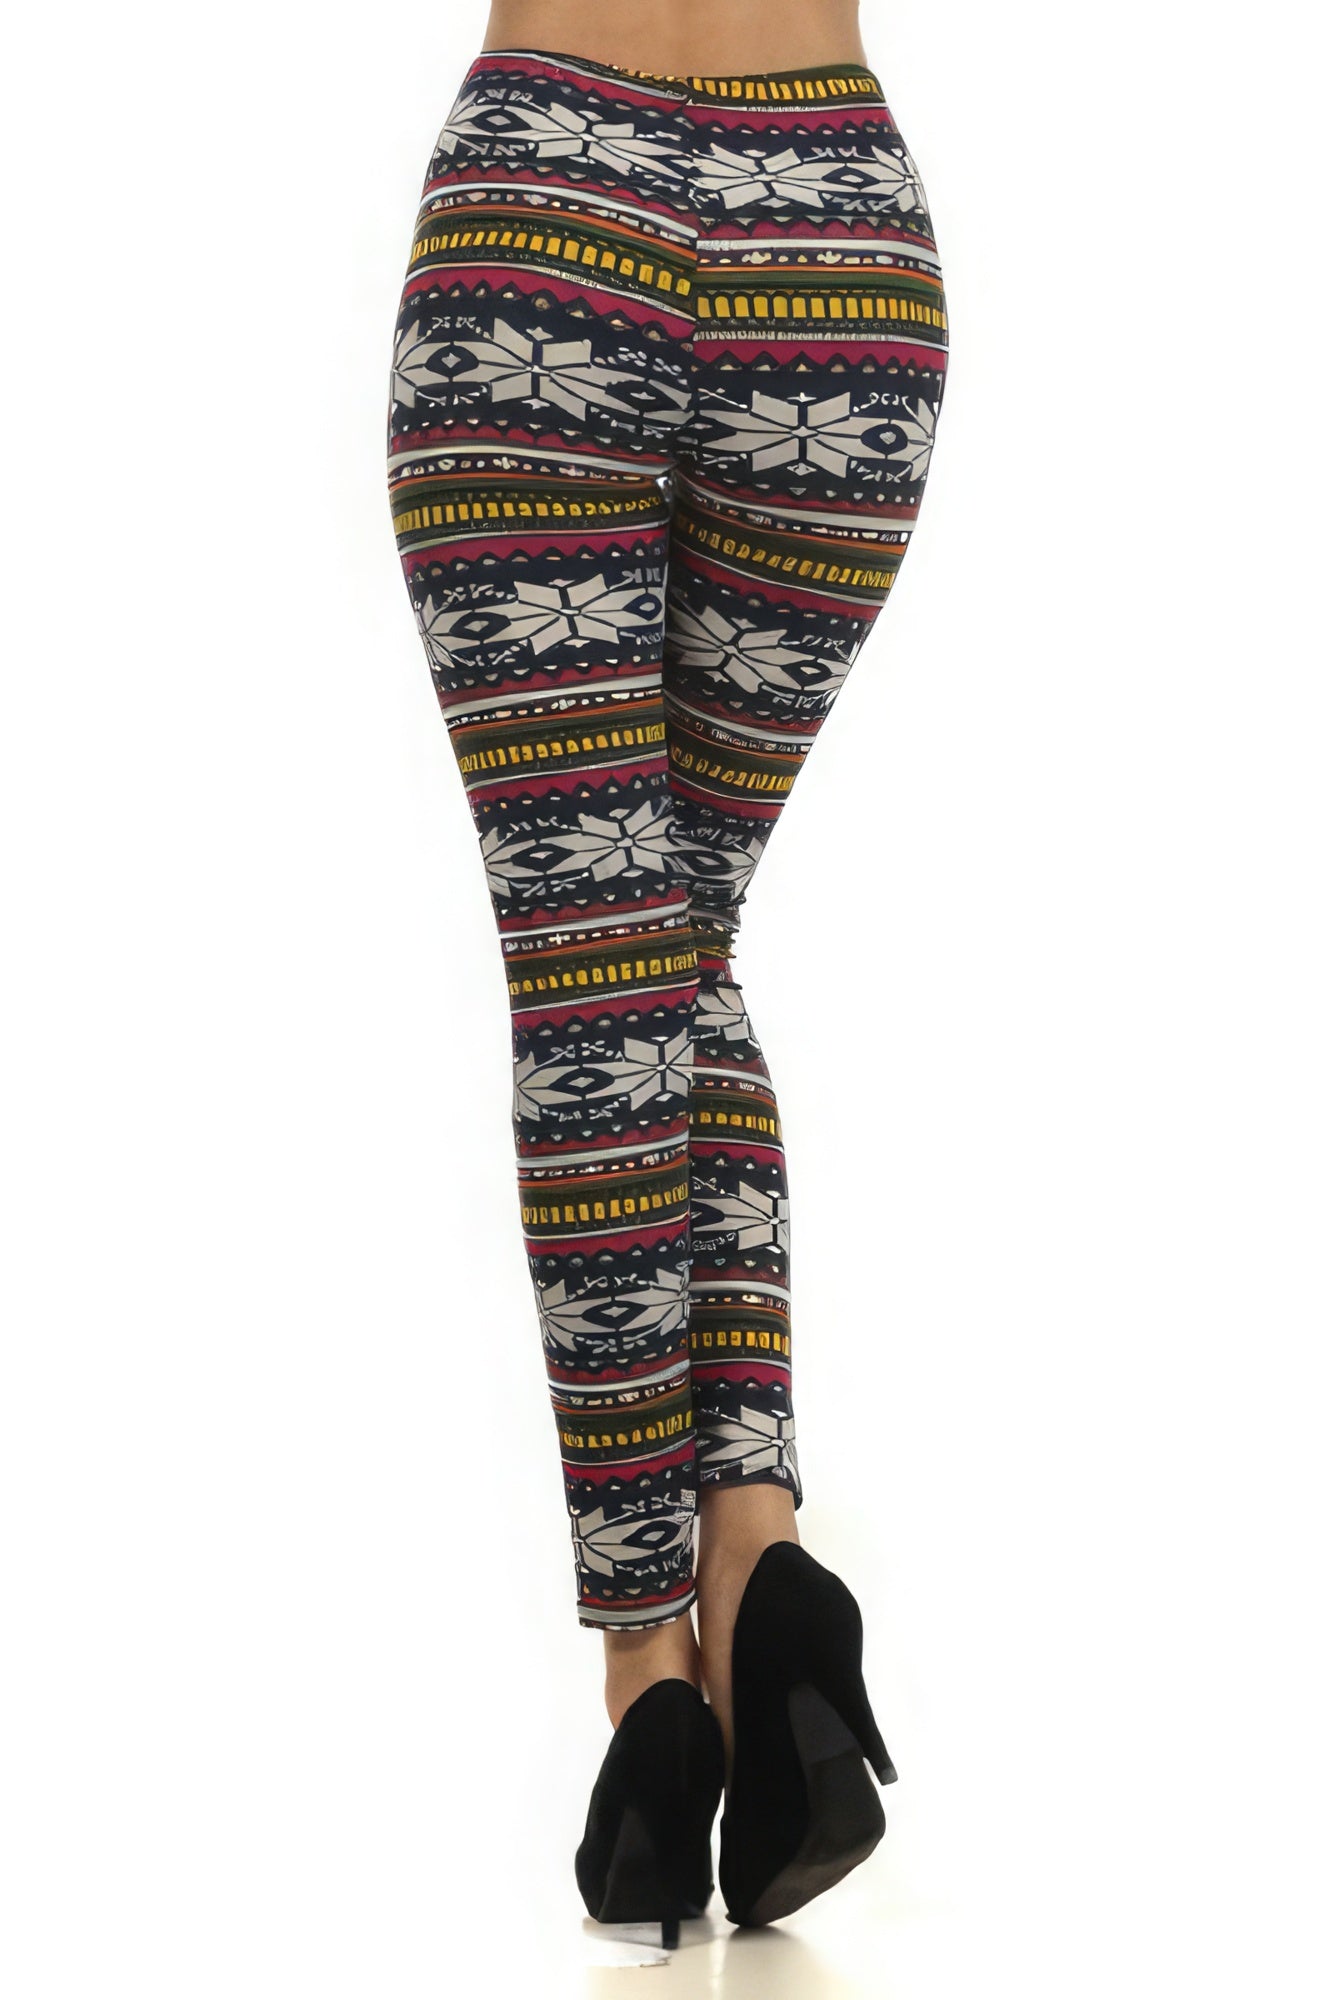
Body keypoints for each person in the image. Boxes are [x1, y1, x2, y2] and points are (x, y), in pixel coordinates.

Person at [386, 0, 948, 1940]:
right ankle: (760, 1563)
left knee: (595, 967)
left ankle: (650, 1683)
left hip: (545, 219)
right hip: (838, 250)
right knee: (672, 952)